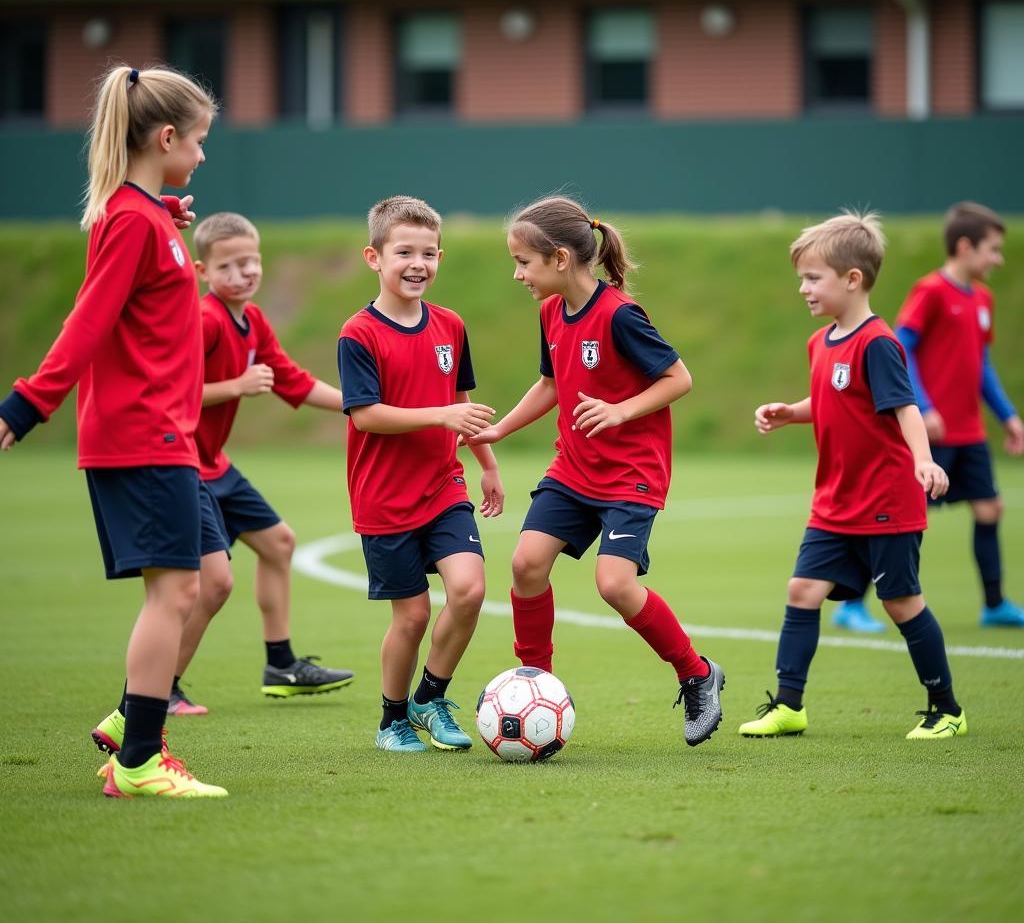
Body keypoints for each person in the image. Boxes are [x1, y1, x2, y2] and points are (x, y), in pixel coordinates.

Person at [0, 64, 228, 797]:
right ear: (165, 137)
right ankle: (138, 761)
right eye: (197, 141)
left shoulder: (147, 216)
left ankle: (133, 731)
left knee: (199, 583)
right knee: (172, 594)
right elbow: (88, 324)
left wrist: (168, 218)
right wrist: (26, 404)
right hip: (143, 437)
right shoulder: (132, 222)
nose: (200, 155)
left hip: (168, 437)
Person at [469, 196, 725, 748]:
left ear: (560, 258)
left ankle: (698, 674)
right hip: (573, 469)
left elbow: (679, 379)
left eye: (523, 262)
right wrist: (500, 430)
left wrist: (620, 411)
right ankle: (538, 685)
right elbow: (550, 385)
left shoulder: (620, 315)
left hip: (632, 473)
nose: (517, 274)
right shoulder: (550, 312)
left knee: (614, 585)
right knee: (526, 564)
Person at [739, 212, 965, 740]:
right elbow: (832, 401)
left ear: (852, 279)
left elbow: (904, 408)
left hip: (886, 499)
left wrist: (924, 460)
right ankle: (789, 705)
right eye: (802, 277)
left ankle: (947, 707)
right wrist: (791, 412)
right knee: (802, 590)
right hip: (835, 502)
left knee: (900, 603)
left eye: (813, 278)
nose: (803, 288)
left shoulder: (879, 343)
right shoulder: (822, 343)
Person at [164, 211, 356, 714]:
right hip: (185, 464)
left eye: (250, 262)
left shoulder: (252, 321)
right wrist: (235, 386)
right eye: (228, 266)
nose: (242, 273)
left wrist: (361, 406)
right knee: (216, 584)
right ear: (204, 272)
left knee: (279, 543)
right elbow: (170, 393)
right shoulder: (204, 319)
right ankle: (160, 688)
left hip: (216, 465)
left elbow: (291, 379)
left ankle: (281, 665)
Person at [338, 196, 504, 752]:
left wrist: (486, 463)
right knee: (410, 617)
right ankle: (392, 720)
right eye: (404, 252)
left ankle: (430, 698)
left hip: (443, 486)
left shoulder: (450, 326)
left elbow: (461, 400)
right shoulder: (358, 334)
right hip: (383, 499)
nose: (418, 264)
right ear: (374, 257)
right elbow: (367, 415)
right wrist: (441, 415)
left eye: (428, 253)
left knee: (469, 588)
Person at [894, 201, 1023, 627]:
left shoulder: (982, 298)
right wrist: (924, 407)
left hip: (969, 433)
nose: (998, 259)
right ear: (965, 247)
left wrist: (1008, 416)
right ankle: (854, 603)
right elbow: (901, 347)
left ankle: (994, 604)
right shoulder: (930, 291)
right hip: (932, 433)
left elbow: (980, 364)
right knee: (901, 520)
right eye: (993, 249)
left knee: (990, 509)